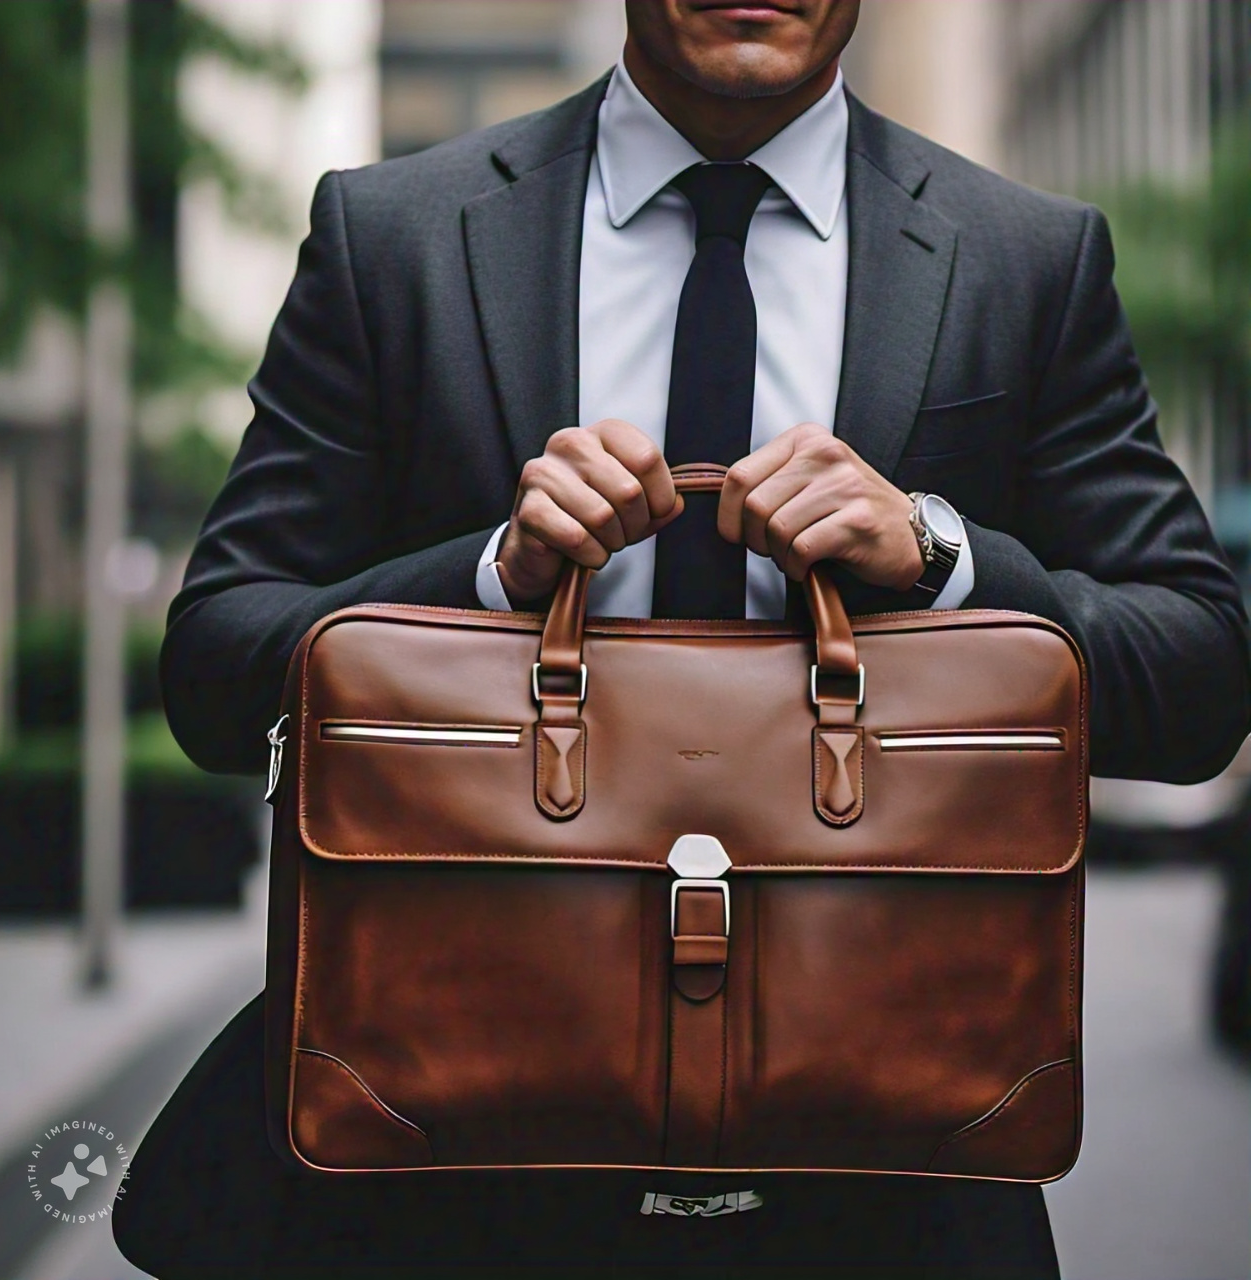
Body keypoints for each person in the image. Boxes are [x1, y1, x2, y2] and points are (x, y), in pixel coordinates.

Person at [114, 1, 1251, 1276]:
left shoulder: (1021, 259)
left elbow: (1199, 676)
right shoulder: (396, 240)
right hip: (453, 1163)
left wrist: (940, 556)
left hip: (890, 1175)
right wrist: (487, 578)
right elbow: (215, 669)